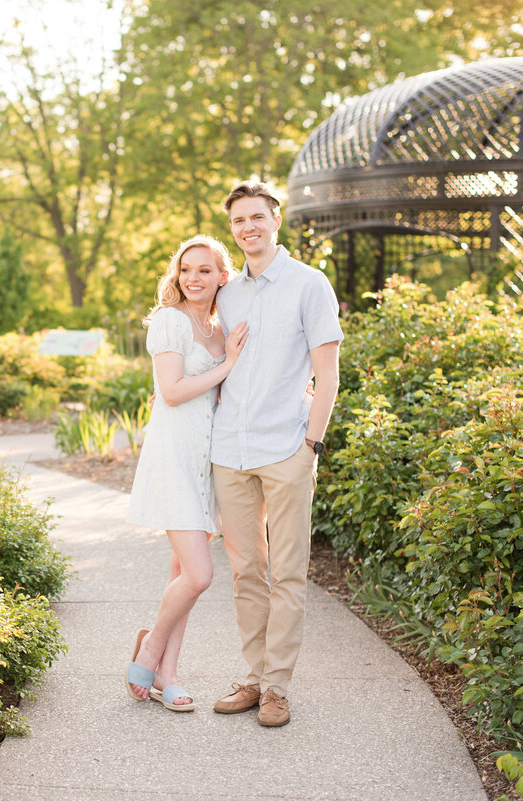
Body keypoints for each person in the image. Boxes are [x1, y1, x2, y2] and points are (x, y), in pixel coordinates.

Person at [208, 180, 343, 727]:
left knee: (288, 572)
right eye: (239, 220)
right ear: (233, 228)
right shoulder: (225, 290)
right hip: (230, 452)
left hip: (287, 447)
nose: (248, 227)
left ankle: (277, 688)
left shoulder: (311, 285)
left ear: (276, 220)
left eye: (257, 217)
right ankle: (253, 675)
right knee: (246, 574)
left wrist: (311, 443)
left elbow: (328, 372)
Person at [124, 234, 249, 712]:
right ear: (176, 275)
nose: (192, 278)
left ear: (222, 276)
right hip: (174, 454)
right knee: (198, 575)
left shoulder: (220, 329)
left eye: (204, 270)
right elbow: (172, 391)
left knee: (180, 571)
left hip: (207, 458)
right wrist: (229, 365)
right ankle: (151, 648)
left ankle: (168, 675)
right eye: (185, 269)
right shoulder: (169, 321)